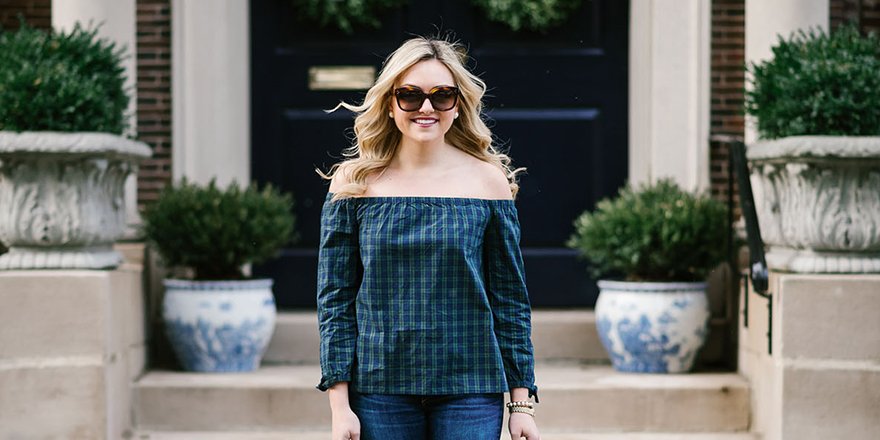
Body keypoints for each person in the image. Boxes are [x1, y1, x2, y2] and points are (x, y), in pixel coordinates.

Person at [316, 36, 541, 440]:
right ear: (390, 103)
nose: (426, 107)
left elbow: (510, 299)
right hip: (379, 387)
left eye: (441, 96)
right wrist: (339, 405)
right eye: (410, 95)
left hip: (471, 387)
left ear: (458, 105)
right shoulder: (353, 183)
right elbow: (335, 299)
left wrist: (521, 403)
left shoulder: (487, 182)